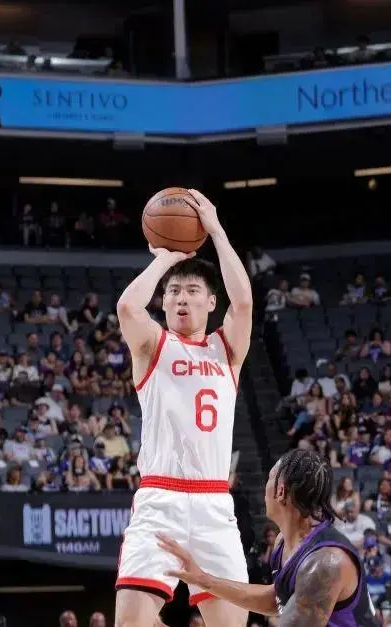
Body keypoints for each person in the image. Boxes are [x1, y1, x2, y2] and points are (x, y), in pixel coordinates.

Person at [114, 189, 253, 627]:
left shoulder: (226, 350)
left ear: (211, 302)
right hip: (160, 500)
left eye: (192, 290)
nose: (180, 298)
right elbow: (127, 306)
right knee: (130, 624)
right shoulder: (153, 345)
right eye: (173, 291)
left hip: (214, 504)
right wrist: (165, 259)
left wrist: (216, 231)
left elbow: (244, 303)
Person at [157, 449, 380, 627]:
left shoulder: (325, 564)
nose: (265, 488)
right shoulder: (284, 542)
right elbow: (277, 598)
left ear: (280, 491)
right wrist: (204, 580)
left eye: (269, 478)